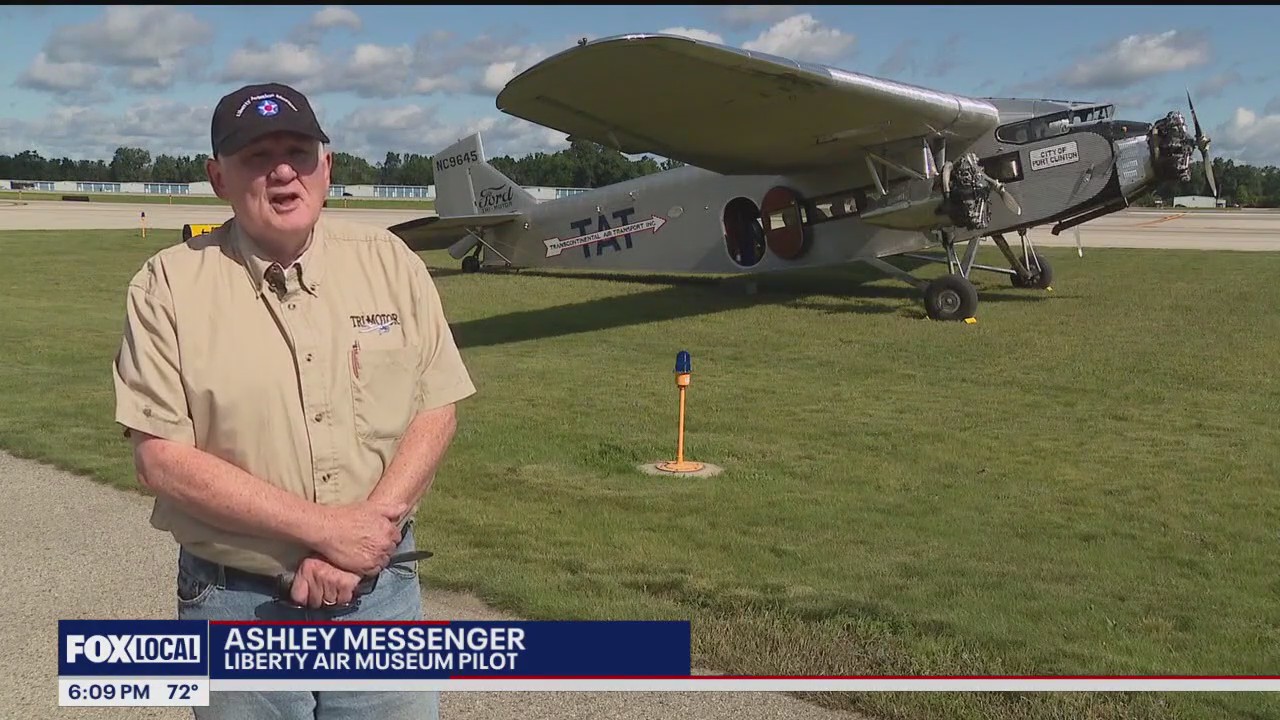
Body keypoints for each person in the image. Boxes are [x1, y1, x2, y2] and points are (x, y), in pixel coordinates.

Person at [111, 81, 476, 719]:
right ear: (218, 176)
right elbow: (162, 460)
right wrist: (328, 532)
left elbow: (436, 405)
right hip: (235, 605)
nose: (283, 170)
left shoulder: (391, 263)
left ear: (326, 166)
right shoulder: (167, 286)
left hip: (381, 597)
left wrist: (368, 535)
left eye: (299, 151)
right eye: (257, 155)